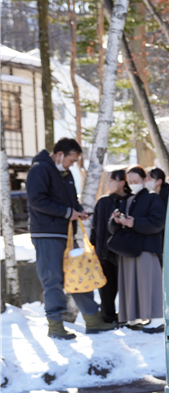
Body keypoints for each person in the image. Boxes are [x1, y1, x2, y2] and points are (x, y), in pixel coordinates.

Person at [26, 137, 116, 339]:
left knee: (79, 274)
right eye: (72, 160)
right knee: (53, 280)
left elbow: (70, 200)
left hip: (65, 233)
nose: (73, 164)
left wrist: (78, 210)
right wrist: (68, 213)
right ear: (59, 155)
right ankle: (55, 327)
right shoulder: (40, 169)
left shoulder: (64, 173)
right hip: (47, 234)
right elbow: (36, 200)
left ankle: (93, 321)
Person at [112, 166, 166, 333]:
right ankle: (133, 317)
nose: (133, 184)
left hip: (146, 247)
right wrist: (116, 221)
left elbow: (158, 223)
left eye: (136, 181)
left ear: (144, 180)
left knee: (149, 283)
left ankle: (156, 319)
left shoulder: (152, 198)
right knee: (130, 283)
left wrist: (133, 222)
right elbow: (112, 227)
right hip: (130, 247)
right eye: (130, 181)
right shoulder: (128, 199)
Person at [89, 169, 130, 323]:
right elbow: (95, 228)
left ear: (121, 183)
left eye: (111, 180)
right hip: (104, 253)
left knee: (126, 288)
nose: (108, 184)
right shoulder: (103, 201)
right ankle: (107, 318)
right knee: (106, 290)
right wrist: (94, 248)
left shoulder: (130, 200)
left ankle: (126, 317)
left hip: (124, 253)